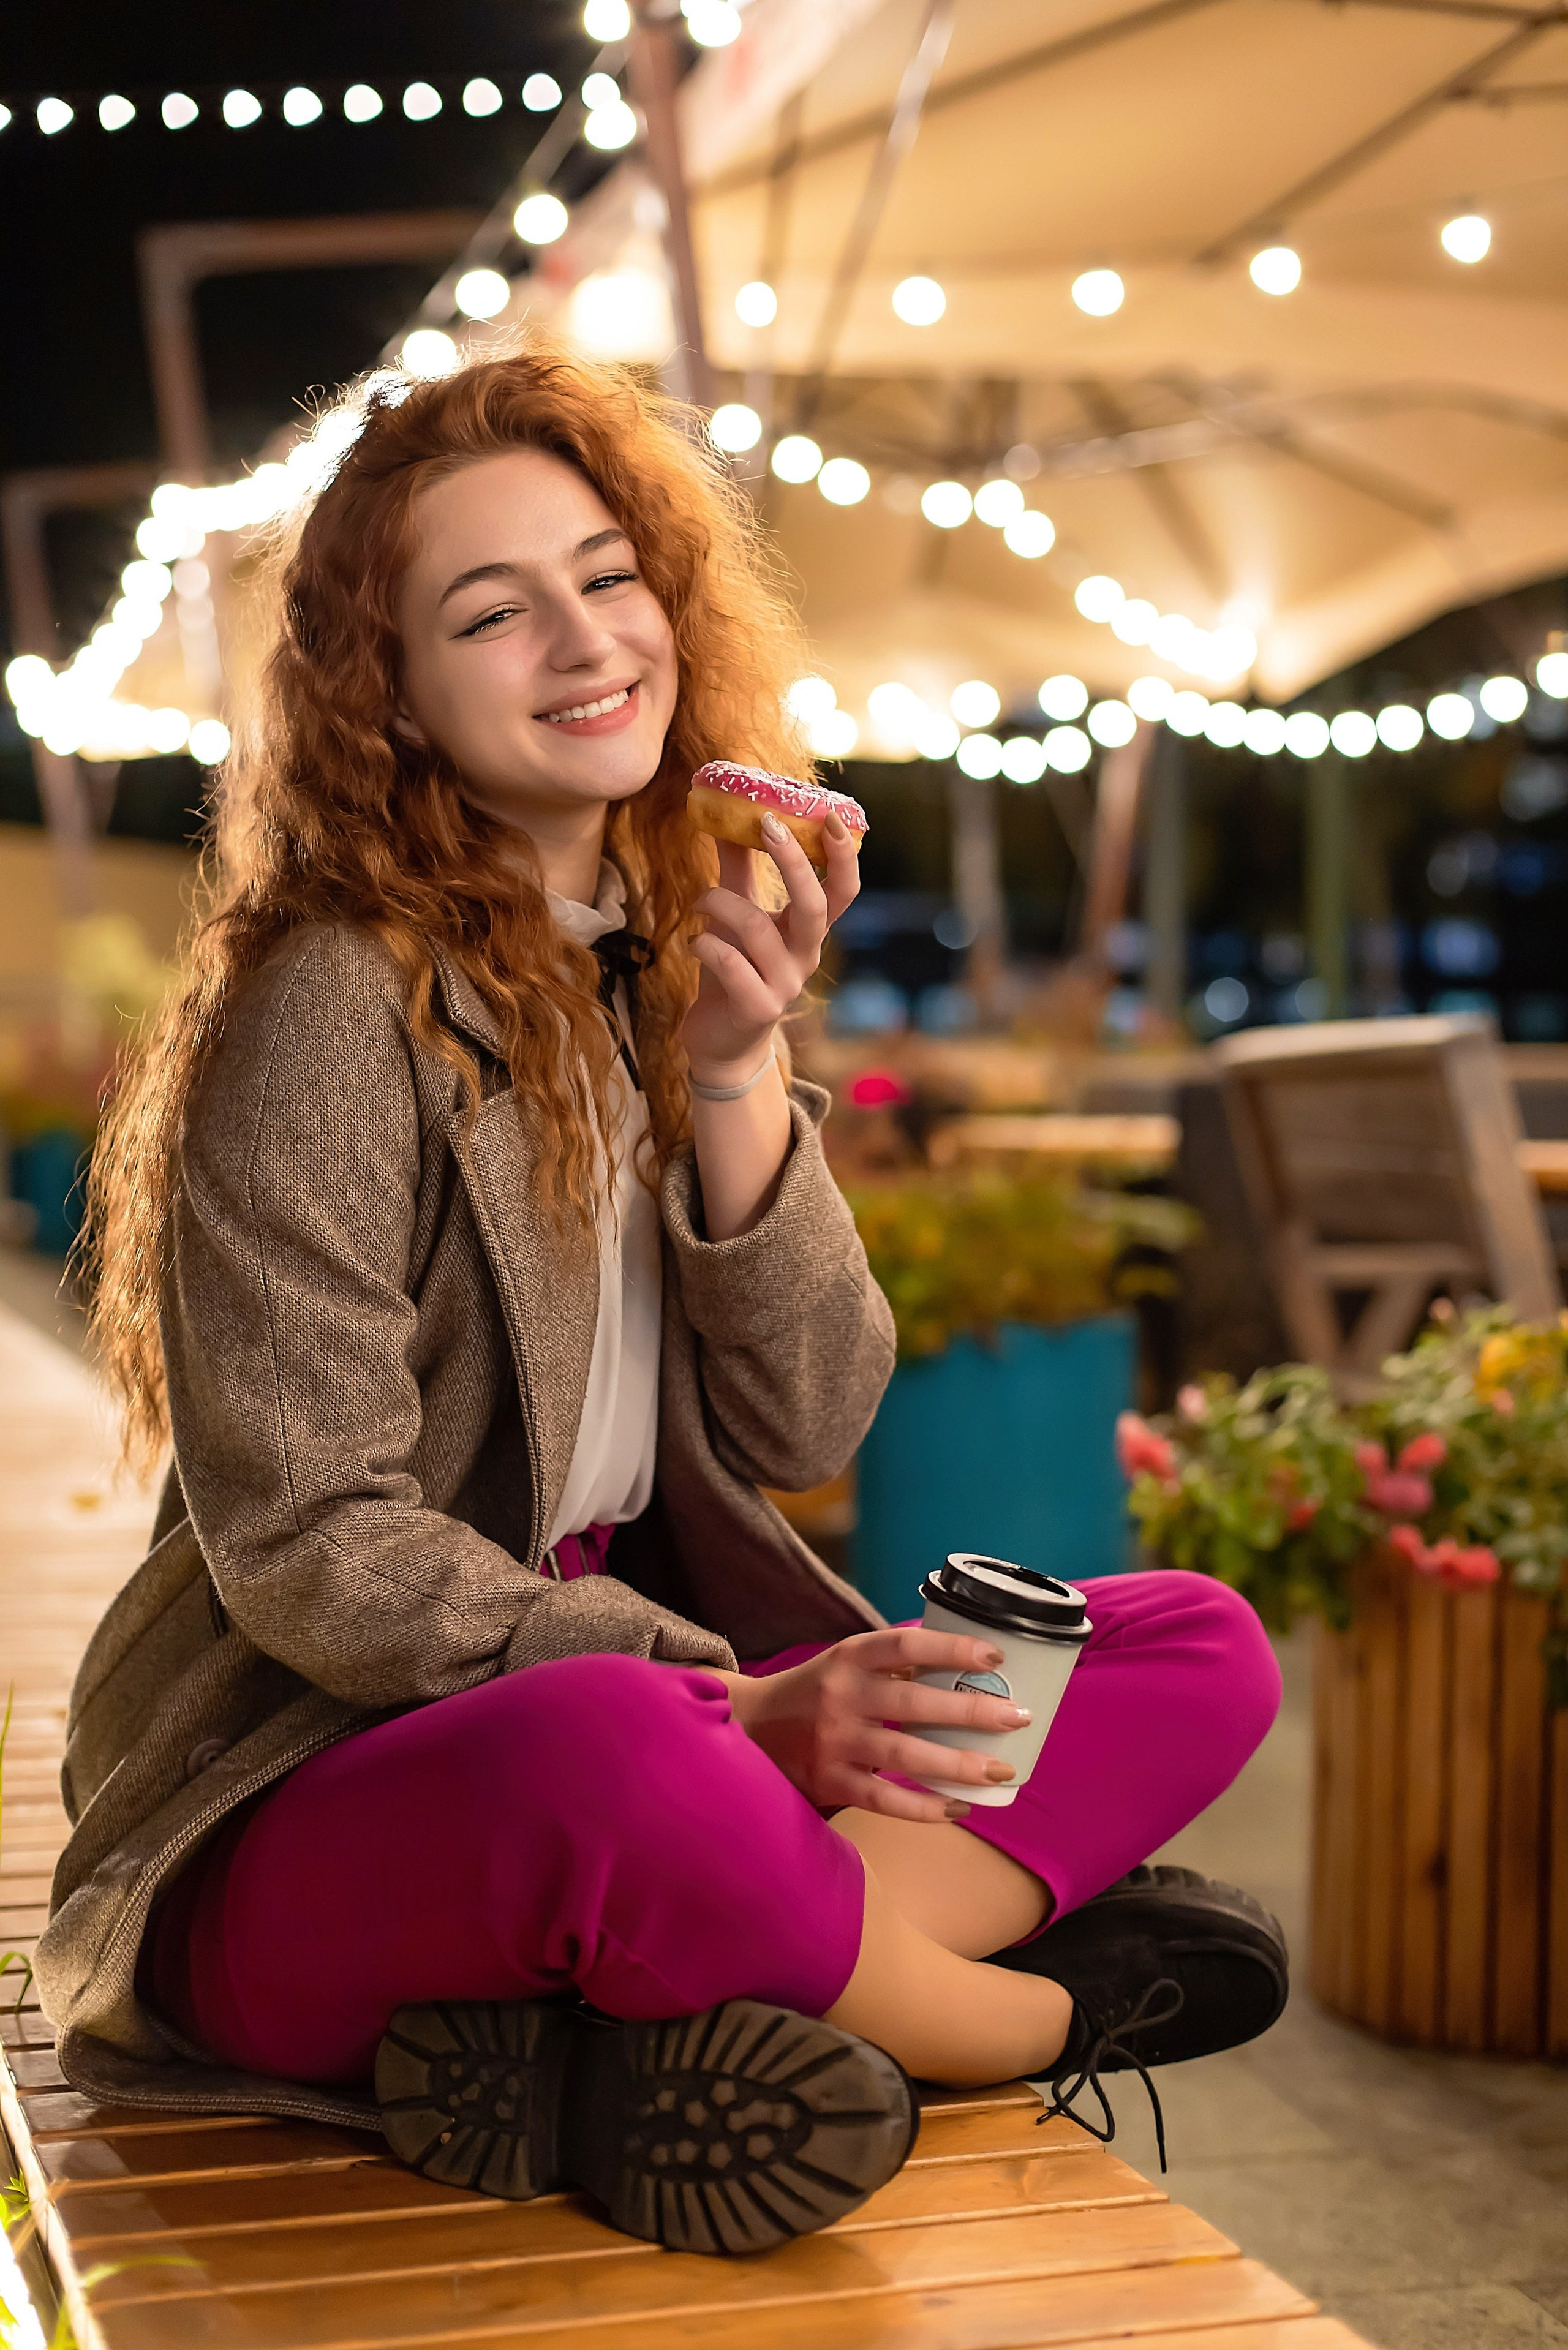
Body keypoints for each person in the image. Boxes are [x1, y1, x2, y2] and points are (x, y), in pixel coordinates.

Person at [38, 342, 1284, 2262]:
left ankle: (623, 2032)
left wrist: (728, 1075)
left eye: (607, 576)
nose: (581, 637)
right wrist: (750, 1716)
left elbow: (811, 1427)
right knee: (621, 1761)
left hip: (649, 1731)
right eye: (492, 610)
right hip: (318, 1794)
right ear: (393, 697)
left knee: (1190, 1642)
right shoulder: (324, 1006)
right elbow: (309, 1550)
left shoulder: (658, 963)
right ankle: (1027, 2014)